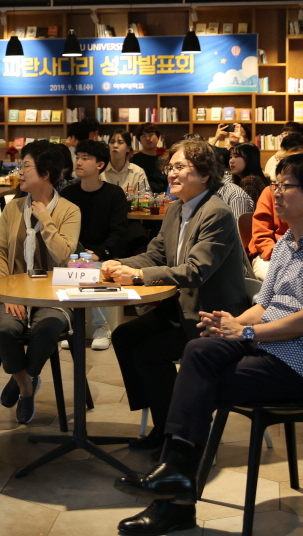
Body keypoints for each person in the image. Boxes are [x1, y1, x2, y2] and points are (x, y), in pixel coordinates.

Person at [112, 154, 303, 535]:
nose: (275, 193)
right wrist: (232, 324)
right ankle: (174, 477)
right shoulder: (286, 242)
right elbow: (264, 305)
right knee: (199, 348)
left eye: (286, 186)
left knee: (199, 383)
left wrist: (246, 333)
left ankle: (174, 496)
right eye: (275, 185)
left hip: (300, 365)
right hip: (268, 346)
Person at [100, 138, 252, 450]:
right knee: (125, 336)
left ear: (205, 174)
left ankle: (173, 433)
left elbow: (195, 271)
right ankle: (164, 421)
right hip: (181, 309)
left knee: (148, 352)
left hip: (211, 317)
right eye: (170, 167)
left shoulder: (217, 213)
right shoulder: (175, 210)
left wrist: (138, 276)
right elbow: (155, 255)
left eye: (180, 167)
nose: (171, 173)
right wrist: (118, 264)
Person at [0, 140, 80, 424]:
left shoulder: (69, 211)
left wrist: (45, 219)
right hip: (16, 293)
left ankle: (23, 377)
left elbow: (64, 255)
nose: (20, 172)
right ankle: (26, 387)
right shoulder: (13, 208)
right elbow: (0, 252)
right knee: (5, 328)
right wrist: (9, 295)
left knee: (46, 330)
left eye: (26, 166)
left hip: (55, 295)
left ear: (45, 173)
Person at [60, 138, 129, 351]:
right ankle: (69, 327)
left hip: (103, 255)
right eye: (78, 157)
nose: (79, 162)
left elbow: (119, 233)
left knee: (93, 271)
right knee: (63, 270)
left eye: (85, 158)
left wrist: (98, 253)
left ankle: (101, 328)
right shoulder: (68, 194)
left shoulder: (114, 194)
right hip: (73, 253)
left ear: (100, 165)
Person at [247, 146, 303, 280]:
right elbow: (261, 236)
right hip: (269, 255)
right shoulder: (270, 192)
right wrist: (281, 255)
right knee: (285, 280)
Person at [102, 129, 150, 195]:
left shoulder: (138, 172)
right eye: (112, 142)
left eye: (120, 142)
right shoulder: (100, 170)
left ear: (128, 149)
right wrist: (119, 193)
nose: (115, 145)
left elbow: (145, 197)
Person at [132, 123, 168, 194]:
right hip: (141, 197)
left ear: (158, 137)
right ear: (139, 140)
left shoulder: (164, 161)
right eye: (144, 136)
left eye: (151, 135)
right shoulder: (133, 160)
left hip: (163, 197)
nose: (148, 138)